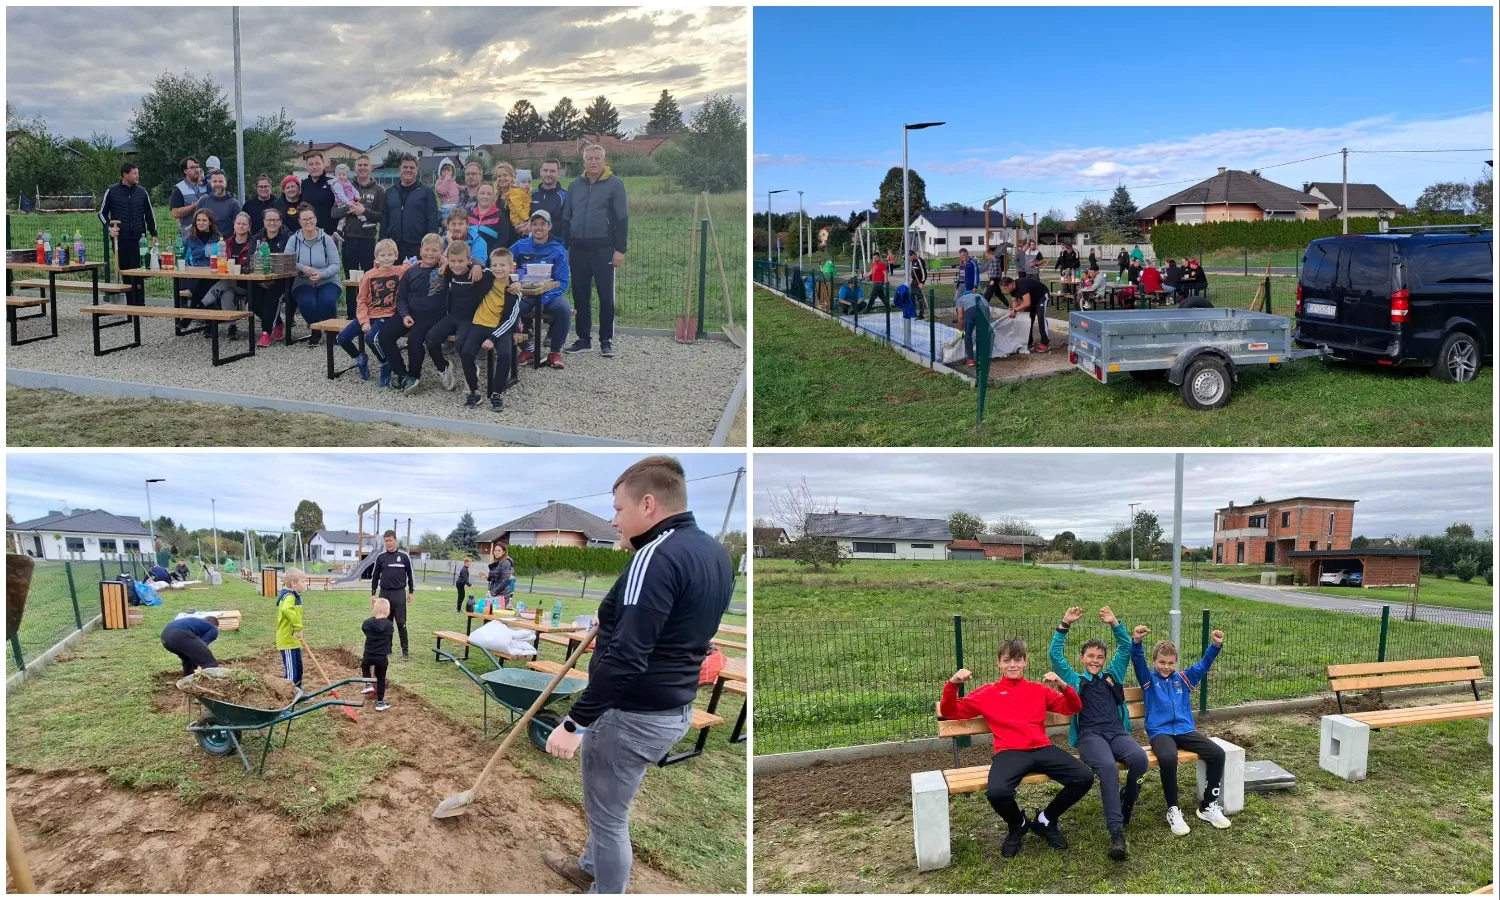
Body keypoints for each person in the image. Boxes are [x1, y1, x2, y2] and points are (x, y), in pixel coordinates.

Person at [542, 456, 733, 894]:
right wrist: (610, 620)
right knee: (610, 804)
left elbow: (628, 658)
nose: (613, 521)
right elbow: (678, 623)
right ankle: (589, 865)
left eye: (618, 509)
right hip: (672, 708)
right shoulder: (713, 552)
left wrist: (575, 722)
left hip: (630, 714)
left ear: (648, 505)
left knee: (609, 818)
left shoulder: (655, 554)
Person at [940, 638, 1092, 858]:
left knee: (1084, 777)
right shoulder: (986, 693)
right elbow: (950, 712)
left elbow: (1073, 707)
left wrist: (1062, 685)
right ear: (999, 664)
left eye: (1017, 660)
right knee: (997, 793)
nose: (1012, 665)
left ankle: (1046, 819)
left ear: (1025, 662)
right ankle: (1017, 824)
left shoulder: (1038, 690)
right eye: (1007, 660)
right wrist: (953, 684)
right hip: (1010, 752)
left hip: (1042, 747)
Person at [1050, 606, 1146, 861]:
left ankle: (1127, 802)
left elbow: (1125, 647)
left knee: (1140, 759)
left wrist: (1115, 622)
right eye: (1090, 656)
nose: (1095, 660)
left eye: (1100, 657)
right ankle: (1117, 833)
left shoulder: (1112, 676)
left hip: (1116, 733)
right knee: (1107, 767)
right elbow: (1055, 655)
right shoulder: (1074, 680)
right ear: (1082, 658)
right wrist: (1064, 625)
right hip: (1091, 736)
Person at [1131, 624, 1231, 834]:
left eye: (1170, 663)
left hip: (1185, 730)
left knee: (1217, 754)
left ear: (1175, 662)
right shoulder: (1148, 680)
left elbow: (1203, 666)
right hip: (1160, 732)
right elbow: (1137, 661)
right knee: (1168, 758)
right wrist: (1137, 642)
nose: (1166, 667)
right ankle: (1173, 810)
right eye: (1161, 662)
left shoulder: (1183, 679)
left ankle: (1208, 806)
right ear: (1154, 662)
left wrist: (1215, 646)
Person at [561, 144, 628, 357]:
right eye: (589, 158)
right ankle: (583, 339)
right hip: (578, 248)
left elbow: (622, 219)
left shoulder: (615, 184)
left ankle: (606, 340)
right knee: (581, 296)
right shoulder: (574, 186)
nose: (593, 162)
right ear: (583, 162)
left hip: (603, 248)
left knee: (605, 296)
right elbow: (566, 218)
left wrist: (620, 250)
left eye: (597, 158)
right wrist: (566, 247)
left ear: (604, 160)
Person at [422, 241, 490, 399]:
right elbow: (435, 267)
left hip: (470, 319)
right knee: (430, 339)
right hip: (452, 317)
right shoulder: (448, 272)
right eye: (453, 261)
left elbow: (498, 277)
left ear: (468, 259)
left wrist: (478, 265)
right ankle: (444, 367)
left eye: (461, 261)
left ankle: (471, 371)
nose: (457, 265)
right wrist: (445, 264)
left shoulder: (477, 273)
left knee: (461, 344)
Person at [383, 234, 448, 392]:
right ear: (420, 251)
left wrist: (448, 263)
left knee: (414, 339)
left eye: (435, 250)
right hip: (410, 313)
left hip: (432, 315)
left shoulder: (445, 271)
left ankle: (414, 376)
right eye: (426, 249)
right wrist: (405, 315)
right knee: (385, 335)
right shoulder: (411, 271)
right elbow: (401, 298)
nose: (430, 254)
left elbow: (465, 263)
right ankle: (402, 374)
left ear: (441, 252)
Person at [338, 238, 407, 384]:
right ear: (376, 257)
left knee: (371, 338)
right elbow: (362, 299)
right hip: (369, 314)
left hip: (387, 315)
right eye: (382, 255)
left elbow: (419, 263)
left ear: (396, 255)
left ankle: (385, 363)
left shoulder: (400, 271)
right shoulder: (369, 275)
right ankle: (360, 358)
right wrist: (364, 321)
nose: (386, 258)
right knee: (342, 338)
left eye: (390, 255)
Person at [510, 210, 572, 370]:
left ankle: (555, 351)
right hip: (524, 295)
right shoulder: (519, 246)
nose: (538, 228)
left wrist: (543, 300)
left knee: (564, 310)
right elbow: (505, 263)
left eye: (542, 224)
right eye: (535, 224)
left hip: (549, 295)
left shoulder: (558, 250)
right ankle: (526, 349)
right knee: (509, 308)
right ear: (529, 226)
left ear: (550, 226)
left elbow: (563, 282)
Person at [469, 247, 525, 409]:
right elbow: (474, 264)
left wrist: (492, 338)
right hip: (479, 323)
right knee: (465, 352)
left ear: (511, 267)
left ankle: (496, 393)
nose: (498, 269)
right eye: (495, 265)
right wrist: (478, 265)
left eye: (502, 265)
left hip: (501, 329)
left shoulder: (514, 292)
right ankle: (474, 391)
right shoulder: (487, 276)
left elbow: (510, 320)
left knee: (506, 355)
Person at [332, 154, 387, 318]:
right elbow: (334, 212)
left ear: (371, 167)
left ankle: (371, 313)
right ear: (355, 168)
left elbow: (382, 216)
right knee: (350, 278)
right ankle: (351, 314)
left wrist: (364, 211)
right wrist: (349, 209)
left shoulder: (379, 190)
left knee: (371, 278)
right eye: (359, 165)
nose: (362, 167)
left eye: (365, 165)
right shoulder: (343, 185)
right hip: (349, 238)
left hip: (369, 240)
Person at [99, 162, 158, 306]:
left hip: (139, 240)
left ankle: (140, 304)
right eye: (134, 173)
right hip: (121, 240)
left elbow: (149, 214)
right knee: (126, 273)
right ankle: (131, 306)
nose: (137, 176)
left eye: (138, 173)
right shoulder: (112, 191)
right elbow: (101, 213)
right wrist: (109, 228)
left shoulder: (142, 192)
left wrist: (154, 233)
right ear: (125, 174)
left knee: (139, 272)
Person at [286, 204, 342, 342]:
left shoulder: (326, 239)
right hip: (303, 280)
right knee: (307, 302)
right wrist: (303, 268)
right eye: (304, 219)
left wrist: (322, 274)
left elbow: (336, 265)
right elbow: (287, 261)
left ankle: (332, 332)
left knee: (327, 301)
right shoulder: (294, 239)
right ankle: (315, 330)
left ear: (316, 219)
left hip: (328, 280)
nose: (308, 222)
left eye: (311, 218)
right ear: (299, 222)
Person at [198, 211, 254, 341]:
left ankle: (202, 304)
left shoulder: (253, 243)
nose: (241, 226)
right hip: (229, 282)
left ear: (249, 226)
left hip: (247, 284)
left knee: (226, 284)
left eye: (244, 224)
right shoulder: (225, 243)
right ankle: (232, 327)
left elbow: (254, 266)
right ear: (234, 225)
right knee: (226, 292)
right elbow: (219, 262)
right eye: (238, 223)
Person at [368, 530, 415, 662]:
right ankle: (387, 649)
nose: (388, 543)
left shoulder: (404, 556)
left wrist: (411, 592)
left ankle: (405, 650)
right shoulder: (381, 557)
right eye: (386, 541)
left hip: (399, 593)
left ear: (395, 540)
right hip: (384, 593)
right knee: (385, 623)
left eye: (390, 540)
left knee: (401, 623)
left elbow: (410, 575)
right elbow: (375, 576)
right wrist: (373, 593)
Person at [384, 155, 441, 261]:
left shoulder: (426, 192)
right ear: (400, 169)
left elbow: (432, 220)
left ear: (417, 170)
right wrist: (382, 243)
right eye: (405, 167)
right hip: (393, 248)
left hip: (418, 247)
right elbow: (385, 219)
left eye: (412, 167)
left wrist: (429, 247)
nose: (408, 170)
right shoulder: (390, 192)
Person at [250, 207, 292, 346]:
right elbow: (252, 260)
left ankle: (266, 332)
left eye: (275, 220)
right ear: (264, 221)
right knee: (253, 302)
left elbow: (290, 261)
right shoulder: (257, 238)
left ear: (280, 222)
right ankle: (278, 323)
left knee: (271, 299)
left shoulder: (288, 238)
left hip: (282, 280)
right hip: (261, 278)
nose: (272, 223)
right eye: (269, 220)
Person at [182, 209, 222, 310]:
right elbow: (183, 258)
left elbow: (223, 258)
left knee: (206, 283)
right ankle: (211, 312)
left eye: (204, 220)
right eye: (198, 220)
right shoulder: (190, 240)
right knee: (200, 285)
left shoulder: (218, 239)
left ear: (210, 222)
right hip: (194, 276)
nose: (201, 223)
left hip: (214, 275)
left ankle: (189, 317)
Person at [361, 597, 395, 712]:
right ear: (388, 612)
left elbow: (364, 629)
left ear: (374, 610)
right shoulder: (389, 625)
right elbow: (389, 635)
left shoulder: (367, 623)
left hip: (368, 655)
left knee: (365, 666)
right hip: (381, 657)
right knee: (381, 678)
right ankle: (380, 703)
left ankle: (368, 683)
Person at [275, 568, 308, 687]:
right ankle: (288, 695)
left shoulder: (295, 596)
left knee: (299, 669)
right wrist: (299, 628)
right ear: (294, 583)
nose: (306, 584)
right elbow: (286, 610)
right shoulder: (289, 596)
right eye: (303, 582)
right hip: (287, 640)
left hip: (294, 640)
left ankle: (297, 692)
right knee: (291, 673)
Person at [467, 183, 515, 264]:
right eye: (482, 193)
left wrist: (488, 257)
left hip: (491, 261)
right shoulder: (468, 214)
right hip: (468, 259)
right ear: (477, 195)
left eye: (489, 194)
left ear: (493, 196)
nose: (485, 196)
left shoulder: (501, 215)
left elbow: (503, 240)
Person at [1004, 274, 1051, 352]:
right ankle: (1028, 342)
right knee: (1028, 319)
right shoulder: (1012, 290)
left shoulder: (1022, 286)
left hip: (1042, 296)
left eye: (1005, 288)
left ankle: (1045, 343)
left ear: (1010, 284)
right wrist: (1013, 310)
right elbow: (1015, 301)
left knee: (1041, 318)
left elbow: (1027, 303)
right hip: (1031, 299)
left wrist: (1015, 310)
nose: (1005, 290)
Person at [169, 157, 212, 237]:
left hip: (208, 234)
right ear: (185, 171)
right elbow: (175, 213)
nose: (196, 170)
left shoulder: (205, 185)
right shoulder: (179, 188)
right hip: (189, 235)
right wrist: (196, 205)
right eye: (192, 167)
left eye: (197, 167)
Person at [530, 158, 568, 243]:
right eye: (545, 170)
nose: (548, 174)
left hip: (555, 245)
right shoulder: (530, 195)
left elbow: (565, 224)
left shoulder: (565, 196)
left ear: (558, 173)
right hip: (532, 244)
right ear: (540, 172)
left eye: (552, 171)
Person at [299, 152, 337, 235]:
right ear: (307, 167)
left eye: (317, 163)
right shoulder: (304, 184)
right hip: (309, 233)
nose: (314, 167)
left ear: (323, 164)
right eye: (311, 164)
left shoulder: (333, 182)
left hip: (329, 234)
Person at [493, 161, 533, 238]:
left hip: (516, 234)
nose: (502, 178)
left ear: (511, 177)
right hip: (501, 235)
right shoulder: (496, 196)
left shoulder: (518, 193)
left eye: (505, 175)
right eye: (499, 176)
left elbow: (526, 213)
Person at [197, 171, 242, 237]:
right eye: (214, 181)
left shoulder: (234, 204)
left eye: (220, 181)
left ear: (226, 183)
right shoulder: (203, 201)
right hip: (204, 244)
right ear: (210, 183)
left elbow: (239, 228)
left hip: (225, 244)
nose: (217, 184)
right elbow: (196, 225)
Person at [954, 290, 990, 367]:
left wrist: (960, 331)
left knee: (968, 334)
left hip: (971, 311)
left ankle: (970, 359)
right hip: (985, 309)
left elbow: (960, 317)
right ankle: (983, 357)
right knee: (983, 334)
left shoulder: (960, 300)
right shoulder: (980, 296)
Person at [487, 542, 514, 608]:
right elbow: (496, 577)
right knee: (489, 615)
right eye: (495, 550)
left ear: (504, 552)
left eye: (499, 550)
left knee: (495, 616)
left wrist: (493, 592)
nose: (496, 552)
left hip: (502, 595)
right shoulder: (498, 562)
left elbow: (505, 580)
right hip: (495, 593)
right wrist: (488, 576)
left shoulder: (506, 563)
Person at [907, 250, 929, 318]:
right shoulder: (912, 261)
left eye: (910, 257)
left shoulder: (920, 261)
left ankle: (921, 314)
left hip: (919, 282)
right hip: (913, 282)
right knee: (911, 297)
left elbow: (924, 273)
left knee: (920, 299)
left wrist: (922, 283)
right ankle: (913, 313)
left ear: (914, 255)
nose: (909, 258)